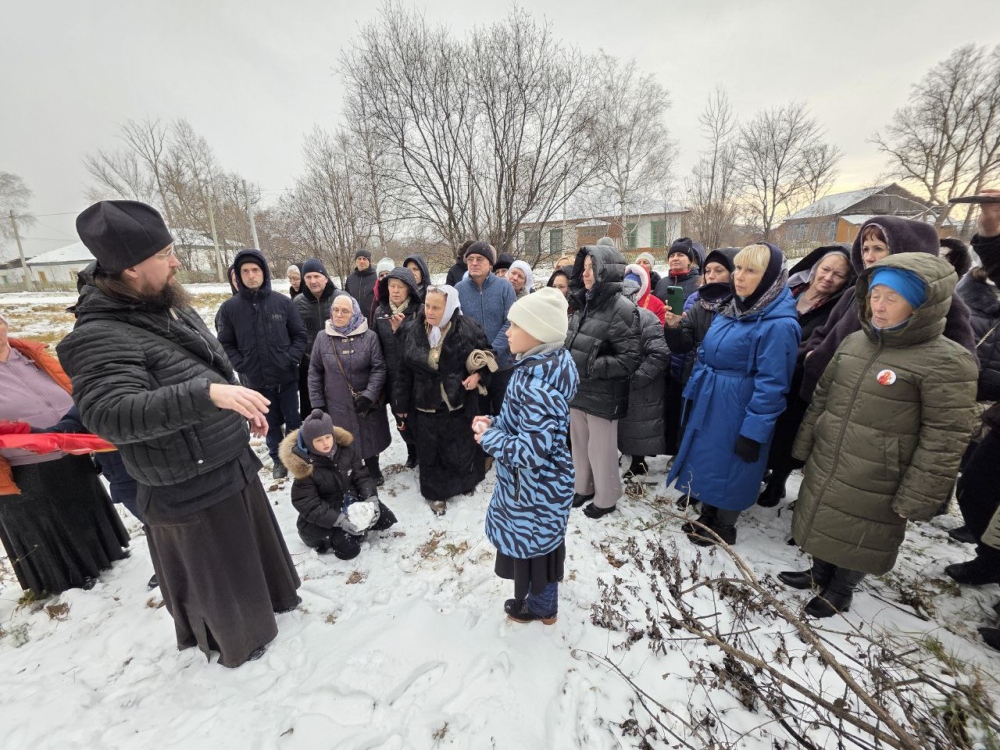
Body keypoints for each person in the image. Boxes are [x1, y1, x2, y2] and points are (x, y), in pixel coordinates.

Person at [57, 200, 300, 668]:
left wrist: (238, 403)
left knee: (250, 553)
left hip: (225, 459)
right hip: (184, 481)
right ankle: (237, 640)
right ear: (130, 268)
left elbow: (206, 364)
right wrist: (209, 395)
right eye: (165, 254)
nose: (177, 262)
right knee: (219, 574)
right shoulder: (97, 334)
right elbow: (109, 412)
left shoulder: (163, 301)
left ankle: (273, 604)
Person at [784, 253, 977, 617]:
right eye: (875, 295)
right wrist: (806, 442)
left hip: (883, 472)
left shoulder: (947, 361)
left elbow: (946, 437)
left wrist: (920, 493)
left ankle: (840, 590)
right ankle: (819, 572)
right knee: (823, 516)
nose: (880, 306)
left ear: (922, 305)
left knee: (863, 532)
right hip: (832, 455)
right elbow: (823, 395)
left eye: (893, 298)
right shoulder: (856, 342)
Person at [667, 243, 799, 546]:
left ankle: (725, 525)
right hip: (712, 399)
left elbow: (772, 384)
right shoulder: (732, 309)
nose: (739, 276)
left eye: (750, 270)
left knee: (734, 465)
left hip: (740, 405)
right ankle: (708, 514)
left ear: (770, 278)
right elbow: (707, 352)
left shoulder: (779, 325)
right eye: (738, 268)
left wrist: (754, 431)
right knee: (711, 460)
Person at [0, 310, 130, 598]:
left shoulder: (30, 355)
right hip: (23, 466)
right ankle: (67, 577)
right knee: (46, 519)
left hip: (71, 447)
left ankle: (106, 553)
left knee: (83, 503)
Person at [475, 288, 579, 624]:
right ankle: (542, 603)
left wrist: (489, 438)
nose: (507, 332)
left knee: (537, 553)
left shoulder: (538, 387)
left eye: (515, 325)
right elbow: (521, 425)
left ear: (538, 333)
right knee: (540, 548)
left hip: (535, 491)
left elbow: (531, 452)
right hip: (534, 489)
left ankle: (542, 608)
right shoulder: (534, 369)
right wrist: (493, 423)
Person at [799, 216, 976, 404]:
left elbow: (961, 368)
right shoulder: (855, 292)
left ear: (905, 251)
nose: (868, 257)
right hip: (822, 394)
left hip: (876, 406)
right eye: (865, 249)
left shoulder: (939, 300)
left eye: (878, 249)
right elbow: (824, 332)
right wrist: (813, 354)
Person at [757, 246, 855, 507]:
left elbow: (823, 342)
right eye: (825, 269)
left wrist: (789, 353)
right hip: (767, 369)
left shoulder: (837, 308)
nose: (828, 278)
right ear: (814, 269)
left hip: (799, 378)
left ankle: (778, 481)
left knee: (788, 432)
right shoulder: (789, 291)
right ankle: (760, 470)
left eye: (838, 275)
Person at [395, 285, 493, 515]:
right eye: (427, 306)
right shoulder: (411, 329)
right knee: (431, 451)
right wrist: (400, 404)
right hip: (424, 401)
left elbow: (488, 355)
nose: (429, 311)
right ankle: (435, 493)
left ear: (449, 307)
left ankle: (465, 483)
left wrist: (478, 376)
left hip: (458, 400)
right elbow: (403, 370)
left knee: (460, 448)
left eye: (436, 307)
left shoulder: (469, 328)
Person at [944, 192, 1000, 584]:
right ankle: (990, 560)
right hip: (980, 393)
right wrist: (992, 230)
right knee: (975, 487)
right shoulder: (970, 287)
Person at [565, 240, 642, 518]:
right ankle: (583, 487)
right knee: (579, 445)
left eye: (592, 268)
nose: (586, 274)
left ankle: (607, 497)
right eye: (584, 267)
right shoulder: (581, 303)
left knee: (601, 450)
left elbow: (629, 359)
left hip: (604, 394)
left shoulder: (622, 309)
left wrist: (591, 365)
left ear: (606, 272)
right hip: (578, 389)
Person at [216, 248, 307, 479]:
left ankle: (297, 454)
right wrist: (241, 365)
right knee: (269, 422)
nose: (251, 275)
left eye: (255, 270)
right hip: (256, 379)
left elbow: (299, 335)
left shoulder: (282, 303)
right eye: (245, 271)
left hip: (286, 376)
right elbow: (225, 343)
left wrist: (290, 358)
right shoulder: (230, 309)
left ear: (264, 272)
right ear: (239, 275)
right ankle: (277, 459)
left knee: (293, 418)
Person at [281, 409, 397, 560]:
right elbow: (308, 504)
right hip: (324, 519)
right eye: (319, 440)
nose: (325, 443)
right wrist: (340, 520)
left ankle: (361, 527)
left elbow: (362, 477)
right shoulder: (305, 467)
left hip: (350, 503)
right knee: (349, 549)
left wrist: (371, 499)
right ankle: (337, 538)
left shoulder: (346, 451)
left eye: (328, 437)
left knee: (386, 519)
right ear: (310, 442)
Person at [662, 247, 739, 459]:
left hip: (726, 386)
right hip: (695, 378)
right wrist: (673, 326)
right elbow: (681, 345)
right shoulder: (700, 305)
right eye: (708, 270)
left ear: (734, 273)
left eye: (719, 270)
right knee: (689, 429)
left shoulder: (743, 307)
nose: (711, 275)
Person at [309, 292, 391, 486]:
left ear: (354, 313)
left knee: (370, 436)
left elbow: (379, 368)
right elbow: (314, 371)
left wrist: (370, 395)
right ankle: (353, 470)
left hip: (365, 401)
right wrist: (318, 403)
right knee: (344, 439)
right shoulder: (322, 337)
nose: (338, 314)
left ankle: (373, 467)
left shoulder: (369, 337)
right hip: (336, 402)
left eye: (345, 311)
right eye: (335, 310)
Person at [617, 266, 671, 477]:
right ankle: (628, 454)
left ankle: (639, 461)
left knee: (640, 423)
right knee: (626, 423)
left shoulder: (646, 318)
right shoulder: (612, 319)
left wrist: (636, 377)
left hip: (642, 384)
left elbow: (659, 354)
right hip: (622, 381)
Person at [455, 241, 518, 412]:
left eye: (480, 259)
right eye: (470, 259)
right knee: (479, 420)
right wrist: (476, 360)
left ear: (490, 263)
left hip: (502, 366)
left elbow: (510, 322)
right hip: (473, 368)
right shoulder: (459, 290)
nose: (474, 263)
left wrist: (490, 353)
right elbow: (457, 326)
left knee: (504, 416)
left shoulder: (504, 287)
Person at [373, 266, 423, 469]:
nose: (395, 291)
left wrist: (402, 330)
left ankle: (422, 451)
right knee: (400, 418)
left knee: (418, 417)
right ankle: (412, 451)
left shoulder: (419, 311)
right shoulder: (380, 312)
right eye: (392, 286)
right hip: (392, 377)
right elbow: (375, 344)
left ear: (409, 289)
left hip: (416, 376)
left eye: (400, 287)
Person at [293, 258, 339, 418]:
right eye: (308, 277)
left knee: (337, 411)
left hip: (337, 363)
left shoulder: (340, 298)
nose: (313, 281)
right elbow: (293, 333)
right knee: (314, 412)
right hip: (309, 365)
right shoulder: (297, 303)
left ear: (325, 278)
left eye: (317, 276)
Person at [653, 238, 702, 303]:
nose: (675, 258)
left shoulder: (699, 283)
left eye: (680, 255)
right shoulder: (661, 283)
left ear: (689, 261)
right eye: (672, 256)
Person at [345, 249, 378, 326]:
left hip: (372, 321)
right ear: (355, 261)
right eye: (359, 259)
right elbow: (347, 298)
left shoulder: (376, 277)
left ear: (369, 261)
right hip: (353, 321)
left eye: (364, 259)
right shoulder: (350, 279)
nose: (361, 261)